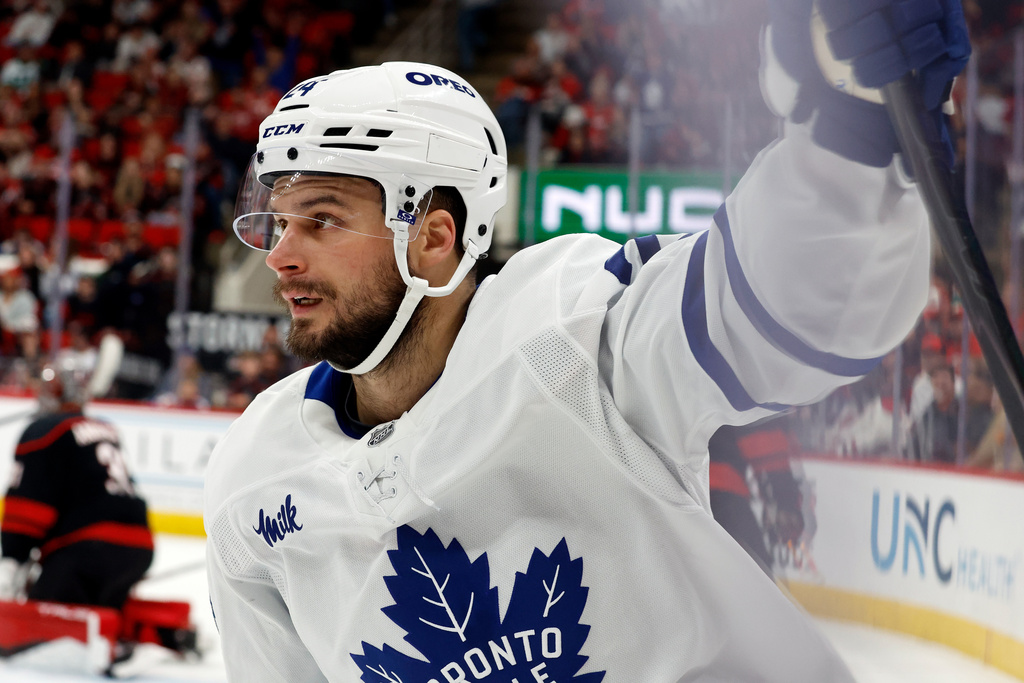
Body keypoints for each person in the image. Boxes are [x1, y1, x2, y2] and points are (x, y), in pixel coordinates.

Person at [204, 0, 969, 678]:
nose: (279, 254)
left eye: (322, 218)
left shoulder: (575, 335)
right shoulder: (253, 478)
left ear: (433, 237)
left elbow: (783, 306)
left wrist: (852, 133)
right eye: (278, 220)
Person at [0, 362, 153, 609]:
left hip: (86, 547)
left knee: (42, 622)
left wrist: (12, 555)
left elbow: (27, 507)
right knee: (101, 620)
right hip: (140, 548)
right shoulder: (105, 428)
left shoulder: (44, 431)